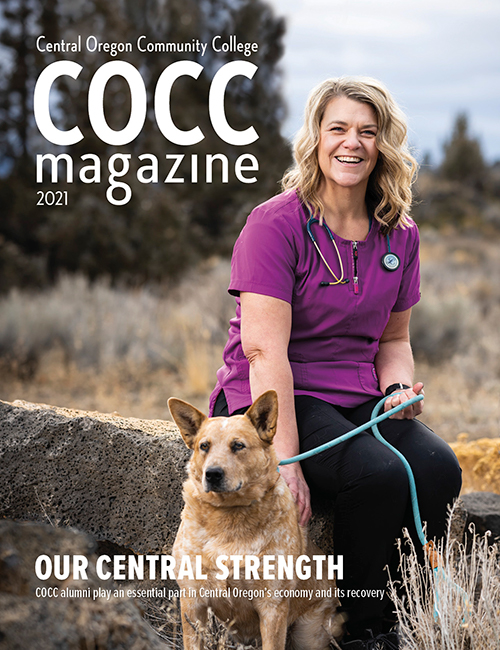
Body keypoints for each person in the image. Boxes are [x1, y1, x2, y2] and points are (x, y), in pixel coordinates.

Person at [208, 76, 462, 650]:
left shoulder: (400, 231)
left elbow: (395, 339)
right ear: (316, 138)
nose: (353, 143)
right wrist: (287, 461)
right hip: (275, 394)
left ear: (383, 145)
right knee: (377, 474)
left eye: (368, 132)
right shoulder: (275, 224)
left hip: (357, 395)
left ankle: (409, 611)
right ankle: (362, 632)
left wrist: (396, 390)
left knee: (439, 468)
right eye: (339, 128)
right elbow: (263, 351)